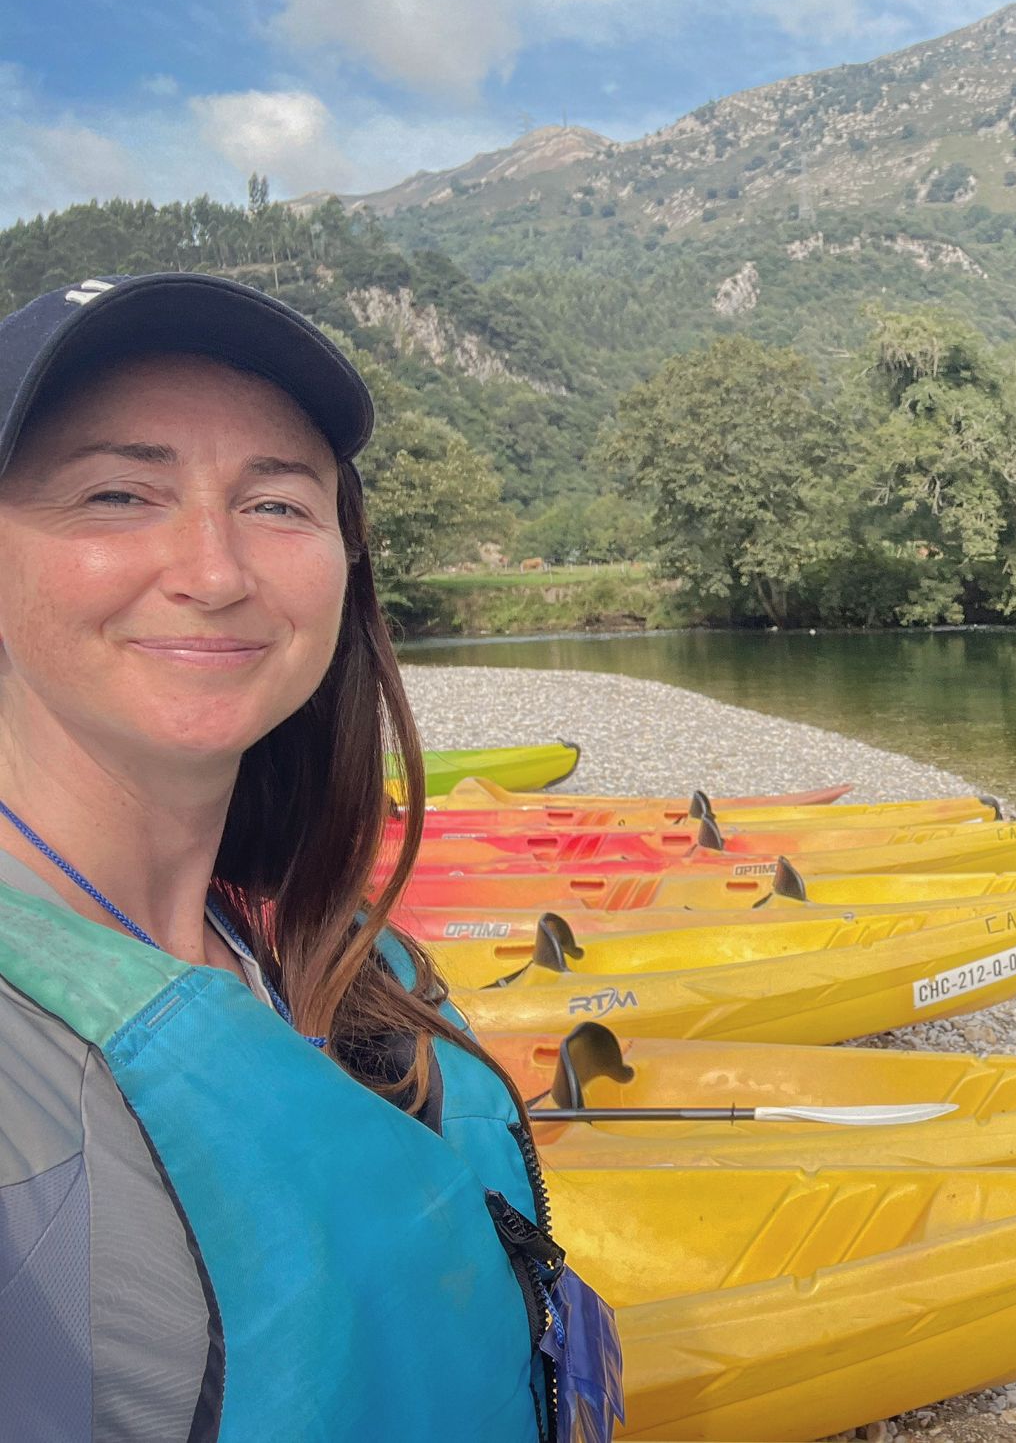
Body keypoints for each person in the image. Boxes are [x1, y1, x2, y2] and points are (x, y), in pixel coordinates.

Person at [0, 273, 616, 1441]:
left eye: (277, 506)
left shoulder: (336, 957)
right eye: (118, 493)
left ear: (344, 564)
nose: (215, 571)